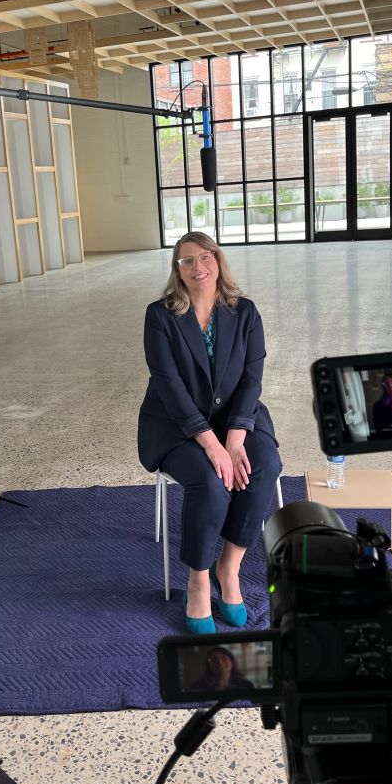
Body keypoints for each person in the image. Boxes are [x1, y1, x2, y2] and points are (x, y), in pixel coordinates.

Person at [138, 231, 281, 634]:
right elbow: (168, 384)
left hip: (238, 417)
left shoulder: (245, 312)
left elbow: (253, 378)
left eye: (205, 258)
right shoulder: (160, 316)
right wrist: (211, 444)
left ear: (218, 261)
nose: (198, 267)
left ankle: (228, 567)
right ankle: (198, 580)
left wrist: (234, 438)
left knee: (263, 465)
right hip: (176, 425)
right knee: (210, 480)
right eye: (187, 261)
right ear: (177, 271)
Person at [190, 646, 254, 692]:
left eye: (223, 657)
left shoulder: (246, 686)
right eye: (214, 660)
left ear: (231, 660)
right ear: (209, 665)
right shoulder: (197, 687)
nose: (219, 662)